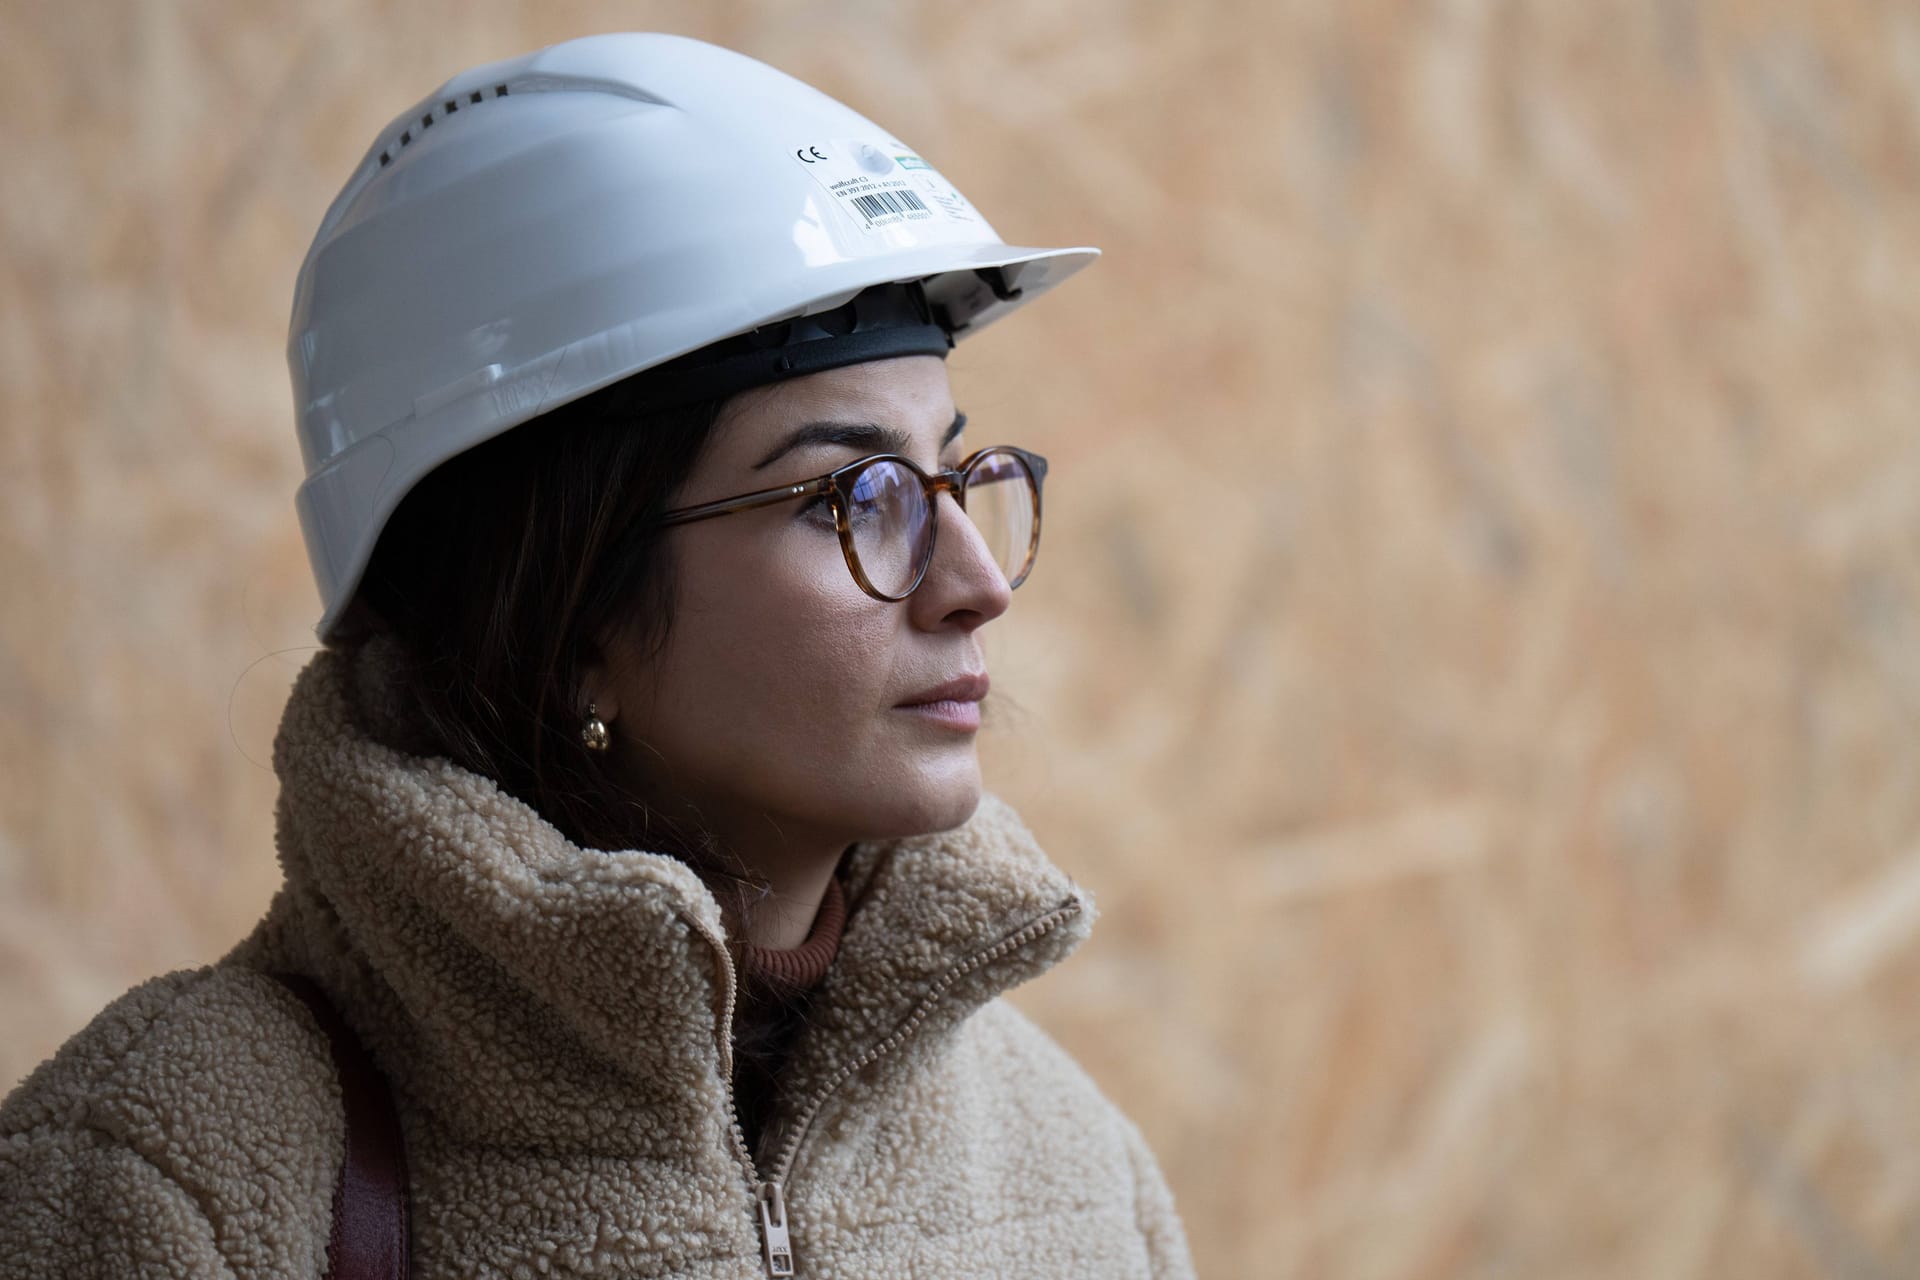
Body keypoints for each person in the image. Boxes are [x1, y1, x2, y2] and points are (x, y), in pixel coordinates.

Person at [0, 32, 1195, 1280]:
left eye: (953, 474)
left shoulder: (1069, 1166)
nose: (978, 584)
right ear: (564, 619)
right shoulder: (160, 1176)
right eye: (853, 494)